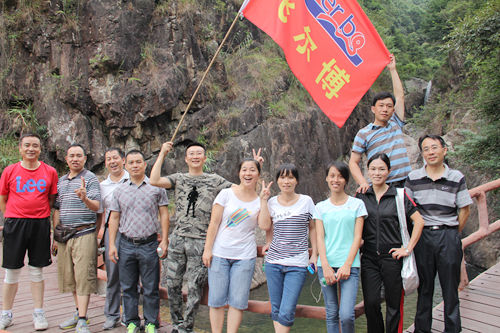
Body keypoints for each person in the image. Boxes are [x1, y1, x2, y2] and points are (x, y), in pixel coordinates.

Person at [149, 141, 262, 333]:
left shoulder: (215, 180)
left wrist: (256, 168)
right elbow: (154, 180)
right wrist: (162, 154)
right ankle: (176, 324)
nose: (194, 156)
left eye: (198, 153)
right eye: (191, 153)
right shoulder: (179, 178)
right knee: (173, 283)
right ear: (186, 158)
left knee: (194, 287)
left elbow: (243, 188)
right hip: (178, 237)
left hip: (201, 240)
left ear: (204, 158)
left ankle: (187, 326)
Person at [405, 135, 472, 333]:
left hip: (448, 236)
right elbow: (407, 209)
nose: (430, 152)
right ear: (422, 154)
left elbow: (465, 210)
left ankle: (452, 330)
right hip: (423, 238)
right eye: (426, 149)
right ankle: (422, 330)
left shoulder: (456, 177)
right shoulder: (413, 178)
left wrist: (452, 232)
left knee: (450, 289)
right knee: (424, 288)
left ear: (444, 150)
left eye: (434, 148)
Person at [356, 153, 425, 333]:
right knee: (371, 303)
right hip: (369, 258)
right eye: (373, 169)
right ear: (367, 171)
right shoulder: (361, 196)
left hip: (393, 257)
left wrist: (408, 248)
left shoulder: (399, 195)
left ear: (389, 171)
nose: (377, 173)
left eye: (381, 169)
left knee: (394, 305)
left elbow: (419, 221)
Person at [0, 133, 58, 331]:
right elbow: (3, 198)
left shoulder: (49, 172)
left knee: (37, 270)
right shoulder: (10, 171)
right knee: (11, 272)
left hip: (40, 223)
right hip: (15, 224)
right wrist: (9, 218)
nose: (31, 149)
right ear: (20, 148)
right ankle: (6, 313)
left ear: (40, 149)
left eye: (35, 145)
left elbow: (51, 200)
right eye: (27, 145)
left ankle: (38, 312)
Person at [108, 149, 169, 333]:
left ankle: (151, 322)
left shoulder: (156, 187)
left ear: (145, 164)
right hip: (126, 243)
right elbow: (114, 218)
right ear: (125, 165)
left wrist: (164, 240)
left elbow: (164, 214)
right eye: (131, 162)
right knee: (128, 286)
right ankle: (132, 321)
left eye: (138, 162)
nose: (135, 165)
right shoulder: (119, 190)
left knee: (151, 287)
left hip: (149, 244)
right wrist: (112, 244)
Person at [202, 158, 262, 333]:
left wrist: (264, 200)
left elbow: (265, 225)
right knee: (216, 299)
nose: (248, 173)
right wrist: (208, 249)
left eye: (252, 170)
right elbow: (214, 223)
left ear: (258, 174)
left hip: (245, 257)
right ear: (239, 173)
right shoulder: (226, 194)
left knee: (237, 301)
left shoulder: (260, 201)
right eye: (244, 170)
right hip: (219, 253)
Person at [259, 163, 318, 333]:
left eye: (290, 177)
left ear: (297, 181)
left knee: (286, 310)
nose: (286, 181)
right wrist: (263, 201)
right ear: (277, 181)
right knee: (276, 309)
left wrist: (314, 254)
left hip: (297, 263)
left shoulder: (306, 201)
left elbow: (313, 227)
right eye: (282, 177)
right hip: (273, 263)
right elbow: (264, 225)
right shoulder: (271, 202)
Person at [54, 143, 101, 333]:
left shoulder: (90, 179)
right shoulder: (62, 181)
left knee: (83, 276)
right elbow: (57, 209)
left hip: (84, 232)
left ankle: (82, 318)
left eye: (78, 156)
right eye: (71, 155)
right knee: (71, 277)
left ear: (85, 159)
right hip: (64, 235)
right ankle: (78, 313)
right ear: (66, 159)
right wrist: (54, 236)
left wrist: (84, 198)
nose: (75, 159)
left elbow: (97, 206)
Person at [315, 161, 366, 333]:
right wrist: (325, 266)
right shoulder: (320, 207)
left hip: (349, 266)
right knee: (331, 313)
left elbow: (357, 237)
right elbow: (320, 237)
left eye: (340, 176)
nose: (336, 180)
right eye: (332, 176)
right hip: (326, 266)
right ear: (326, 179)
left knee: (346, 315)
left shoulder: (357, 205)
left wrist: (347, 264)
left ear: (346, 180)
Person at [349, 54, 412, 193]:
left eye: (389, 106)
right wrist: (363, 182)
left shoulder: (395, 123)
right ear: (373, 109)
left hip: (407, 182)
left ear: (393, 109)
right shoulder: (364, 133)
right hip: (382, 185)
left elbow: (400, 97)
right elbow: (353, 162)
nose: (385, 109)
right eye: (381, 105)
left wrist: (393, 70)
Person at [98, 148, 129, 330]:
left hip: (133, 230)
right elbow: (101, 213)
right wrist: (100, 233)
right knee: (112, 274)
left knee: (131, 275)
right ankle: (111, 315)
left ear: (123, 160)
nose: (112, 161)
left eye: (115, 158)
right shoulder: (103, 186)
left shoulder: (135, 179)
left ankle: (129, 313)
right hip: (112, 232)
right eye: (108, 159)